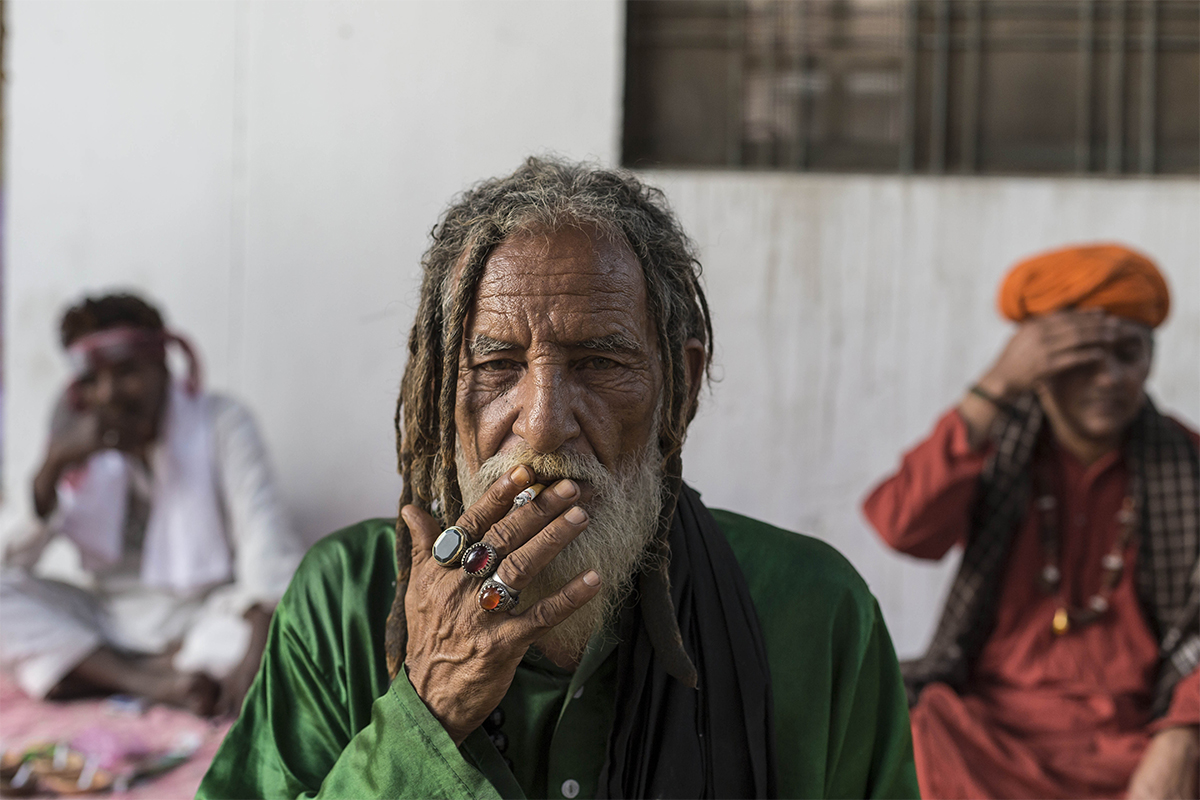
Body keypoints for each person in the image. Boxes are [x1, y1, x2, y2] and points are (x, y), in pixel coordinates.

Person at [199, 158, 918, 798]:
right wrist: (429, 711)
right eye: (497, 366)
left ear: (683, 386)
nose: (543, 424)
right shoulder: (345, 600)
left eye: (600, 363)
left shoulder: (816, 613)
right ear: (437, 388)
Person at [864, 244, 1199, 799]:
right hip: (990, 742)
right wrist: (994, 388)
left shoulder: (1187, 462)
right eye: (1083, 357)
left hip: (1142, 740)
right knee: (911, 724)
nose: (1110, 377)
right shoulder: (996, 447)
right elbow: (902, 527)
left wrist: (1181, 738)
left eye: (1128, 353)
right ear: (1038, 365)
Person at [0, 293, 306, 717]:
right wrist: (54, 465)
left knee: (275, 640)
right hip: (110, 620)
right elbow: (12, 560)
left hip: (203, 621)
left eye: (126, 372)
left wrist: (259, 649)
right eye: (93, 380)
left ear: (162, 366)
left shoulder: (222, 422)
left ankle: (96, 671)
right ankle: (149, 681)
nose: (109, 395)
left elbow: (266, 549)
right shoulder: (77, 441)